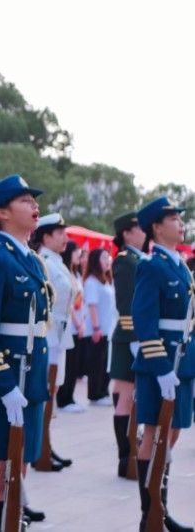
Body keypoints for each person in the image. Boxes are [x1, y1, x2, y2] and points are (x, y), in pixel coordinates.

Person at [0, 175, 51, 531]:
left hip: (29, 380)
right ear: (2, 212)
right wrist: (4, 386)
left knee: (19, 468)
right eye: (25, 201)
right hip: (6, 382)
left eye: (34, 201)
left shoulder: (31, 260)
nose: (35, 207)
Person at [130, 197, 194, 532]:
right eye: (174, 219)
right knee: (154, 433)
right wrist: (160, 366)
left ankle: (161, 508)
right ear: (157, 227)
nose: (181, 223)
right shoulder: (151, 264)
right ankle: (151, 514)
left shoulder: (179, 264)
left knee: (174, 431)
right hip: (161, 362)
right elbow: (144, 320)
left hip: (182, 361)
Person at [31, 213, 76, 472]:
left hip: (61, 334)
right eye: (60, 233)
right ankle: (40, 449)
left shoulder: (57, 261)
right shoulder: (43, 260)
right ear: (46, 237)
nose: (65, 238)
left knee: (53, 392)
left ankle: (45, 444)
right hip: (49, 332)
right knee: (46, 392)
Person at [110, 211, 145, 478]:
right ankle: (126, 457)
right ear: (127, 233)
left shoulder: (138, 259)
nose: (144, 232)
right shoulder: (125, 261)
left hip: (135, 337)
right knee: (125, 397)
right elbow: (125, 304)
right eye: (139, 228)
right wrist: (136, 338)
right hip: (128, 338)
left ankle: (130, 454)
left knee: (129, 397)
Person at [56, 241, 88, 413]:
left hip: (78, 323)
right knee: (67, 364)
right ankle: (63, 399)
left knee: (73, 363)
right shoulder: (64, 272)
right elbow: (67, 302)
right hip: (70, 323)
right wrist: (77, 321)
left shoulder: (75, 273)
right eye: (77, 251)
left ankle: (70, 396)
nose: (79, 255)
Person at [83, 248, 115, 406]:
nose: (108, 260)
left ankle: (103, 391)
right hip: (97, 329)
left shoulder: (106, 280)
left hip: (108, 329)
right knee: (96, 363)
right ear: (96, 261)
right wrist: (96, 328)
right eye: (104, 258)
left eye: (108, 257)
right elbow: (92, 306)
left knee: (104, 362)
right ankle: (95, 395)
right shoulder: (91, 282)